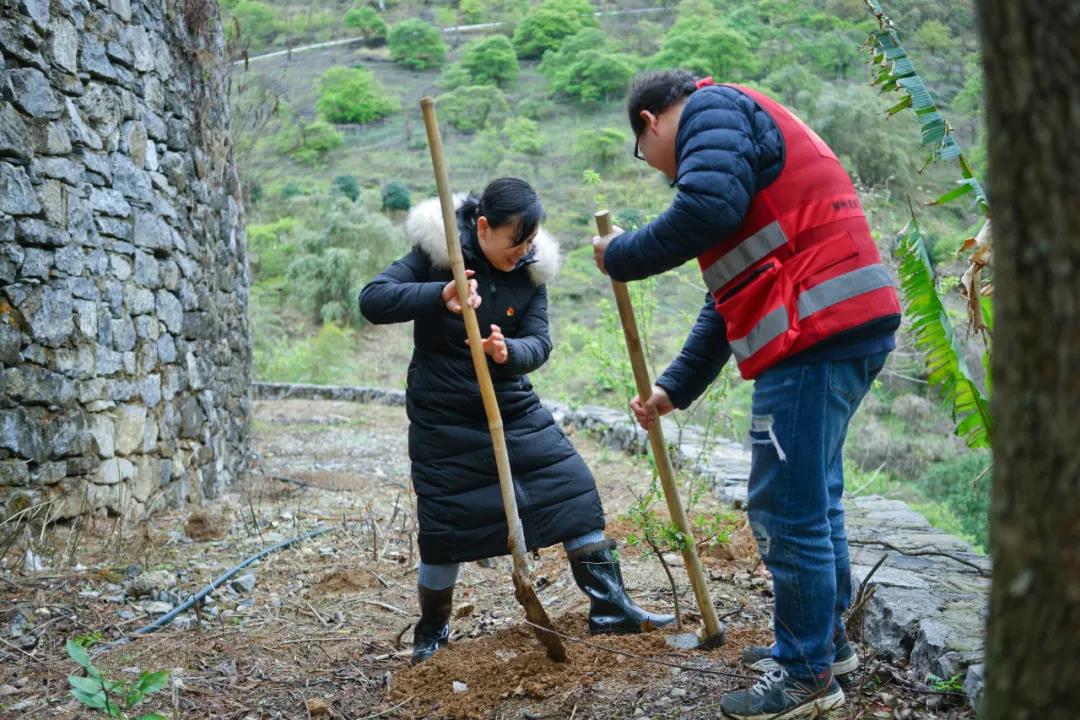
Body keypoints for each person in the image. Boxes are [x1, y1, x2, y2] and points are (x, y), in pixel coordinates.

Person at [591, 71, 901, 718]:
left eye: (643, 156)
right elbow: (728, 295)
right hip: (838, 324)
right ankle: (824, 646)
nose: (655, 170)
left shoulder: (710, 109)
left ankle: (807, 678)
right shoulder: (738, 135)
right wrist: (673, 391)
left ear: (650, 122)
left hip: (814, 331)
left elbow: (704, 209)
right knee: (816, 499)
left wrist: (619, 253)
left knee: (786, 508)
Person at [360, 178, 673, 665]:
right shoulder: (437, 253)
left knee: (573, 487)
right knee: (444, 524)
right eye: (514, 241)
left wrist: (508, 353)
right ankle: (432, 632)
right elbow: (373, 300)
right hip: (443, 415)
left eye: (530, 242)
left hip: (511, 406)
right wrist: (438, 294)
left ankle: (611, 608)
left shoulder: (530, 272)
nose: (523, 252)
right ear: (483, 228)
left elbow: (540, 342)